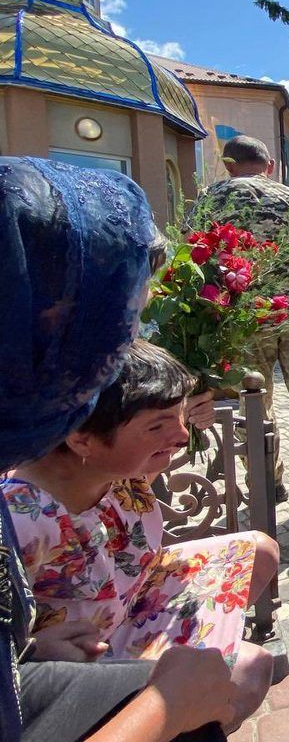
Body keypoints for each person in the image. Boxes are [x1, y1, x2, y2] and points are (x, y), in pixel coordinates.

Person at [0, 157, 246, 741]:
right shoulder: (25, 510)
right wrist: (164, 707)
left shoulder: (78, 465)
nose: (122, 350)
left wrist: (25, 653)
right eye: (117, 320)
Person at [2, 340, 278, 733]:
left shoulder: (111, 465)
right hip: (83, 655)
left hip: (137, 595)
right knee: (251, 668)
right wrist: (33, 651)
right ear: (80, 438)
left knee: (260, 552)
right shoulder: (19, 520)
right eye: (158, 426)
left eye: (178, 417)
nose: (180, 436)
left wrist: (190, 411)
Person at [199, 135, 289, 533]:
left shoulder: (211, 200)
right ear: (269, 166)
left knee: (252, 411)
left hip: (244, 324)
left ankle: (268, 485)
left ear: (229, 165)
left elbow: (198, 266)